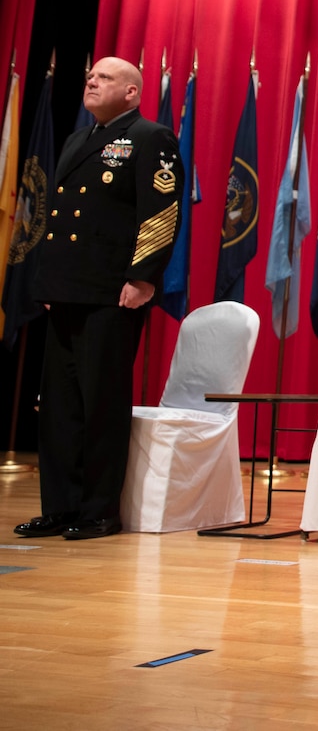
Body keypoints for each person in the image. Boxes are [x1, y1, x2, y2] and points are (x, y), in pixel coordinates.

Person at [14, 57, 181, 540]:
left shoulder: (152, 138)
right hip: (66, 290)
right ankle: (61, 506)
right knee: (60, 405)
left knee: (101, 403)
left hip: (113, 292)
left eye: (104, 77)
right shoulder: (77, 140)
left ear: (132, 92)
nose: (91, 81)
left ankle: (98, 509)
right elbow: (59, 220)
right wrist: (48, 281)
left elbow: (160, 212)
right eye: (90, 76)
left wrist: (144, 277)